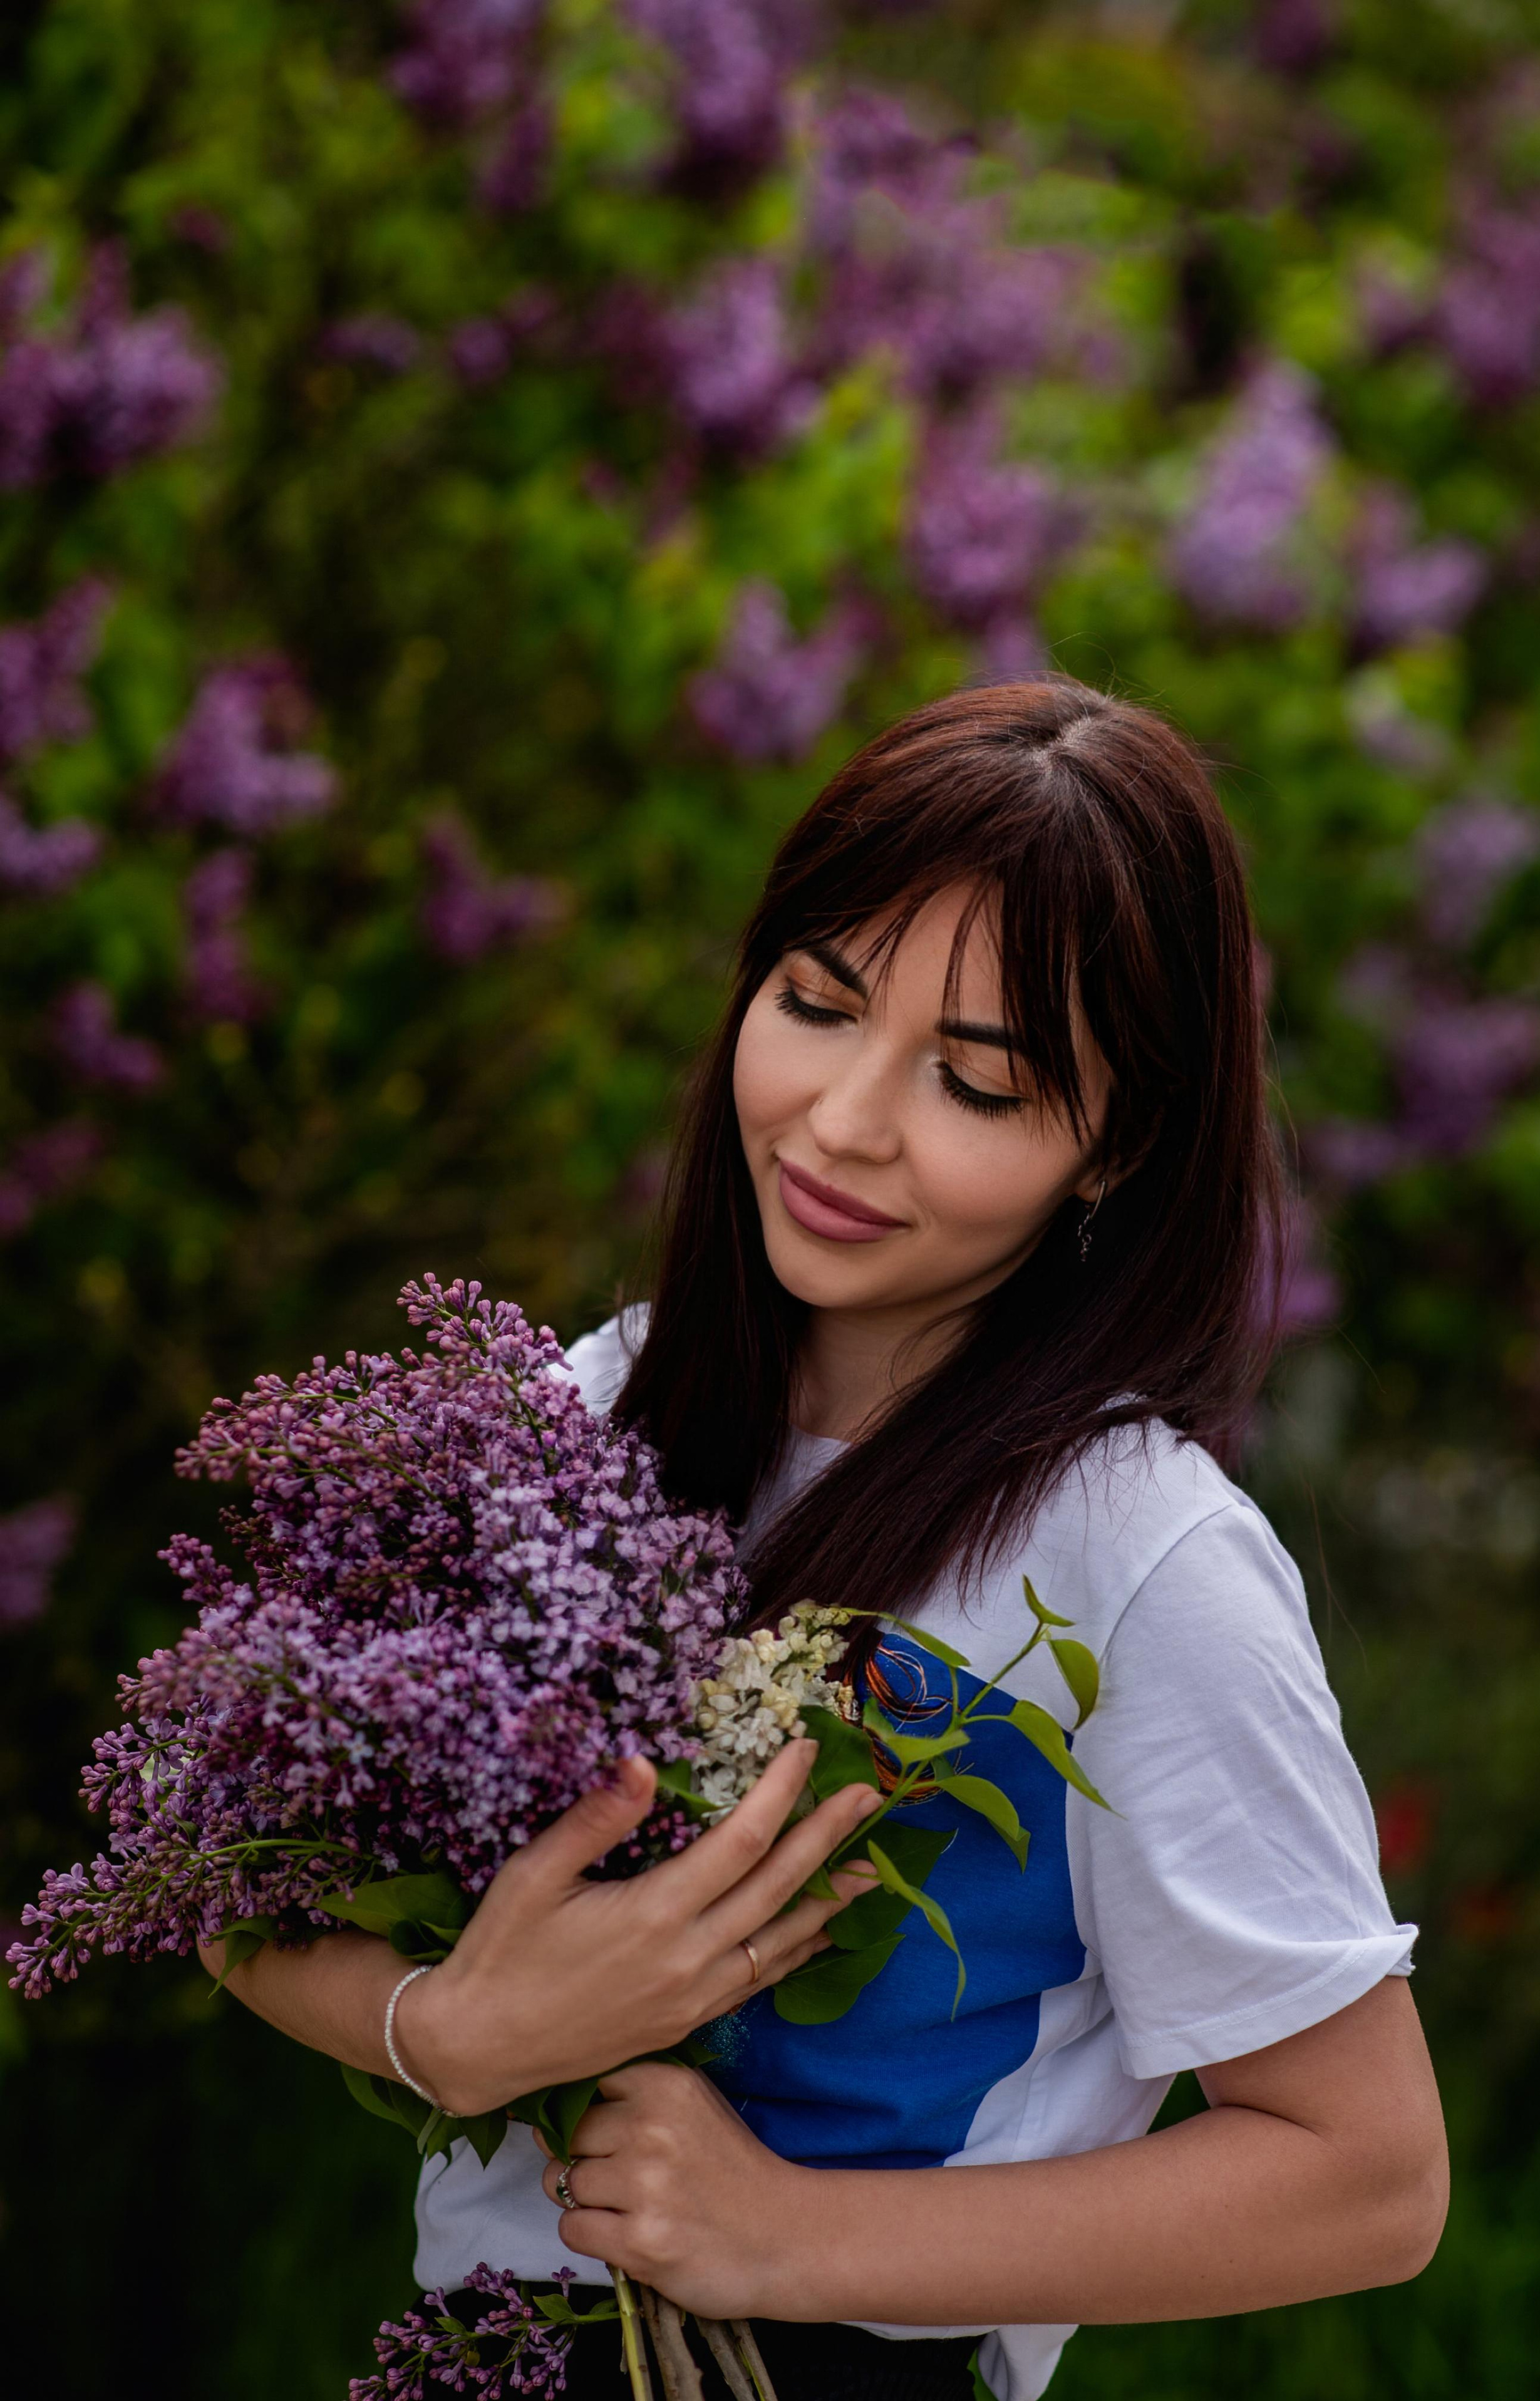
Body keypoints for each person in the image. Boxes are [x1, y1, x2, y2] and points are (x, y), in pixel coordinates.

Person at [205, 678, 1447, 2400]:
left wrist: (785, 2231)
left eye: (979, 1081)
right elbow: (230, 1878)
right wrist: (455, 2032)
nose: (847, 1120)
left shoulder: (1143, 1557)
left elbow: (1367, 2174)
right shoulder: (571, 1417)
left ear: (1117, 1146)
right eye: (818, 1002)